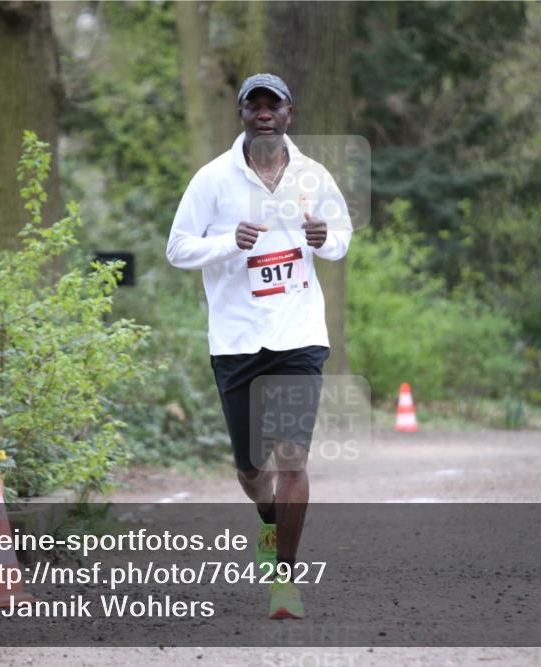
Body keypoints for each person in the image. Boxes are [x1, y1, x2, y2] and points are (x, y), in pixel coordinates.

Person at [166, 73, 352, 619]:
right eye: (255, 106)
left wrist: (326, 240)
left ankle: (284, 581)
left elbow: (341, 238)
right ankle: (270, 532)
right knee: (252, 472)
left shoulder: (314, 176)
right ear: (242, 113)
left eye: (274, 105)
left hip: (298, 336)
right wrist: (230, 242)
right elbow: (177, 248)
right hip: (237, 339)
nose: (264, 114)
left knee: (292, 459)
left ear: (289, 112)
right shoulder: (212, 180)